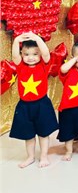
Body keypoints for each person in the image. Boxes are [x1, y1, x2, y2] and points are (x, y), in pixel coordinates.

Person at [9, 32, 58, 168]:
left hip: (42, 104)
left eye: (35, 54)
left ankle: (44, 156)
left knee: (43, 133)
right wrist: (17, 40)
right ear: (22, 54)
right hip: (24, 106)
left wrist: (37, 38)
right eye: (26, 54)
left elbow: (46, 54)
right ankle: (30, 157)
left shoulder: (43, 65)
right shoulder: (20, 66)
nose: (31, 58)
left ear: (40, 54)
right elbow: (15, 56)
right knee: (28, 135)